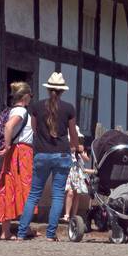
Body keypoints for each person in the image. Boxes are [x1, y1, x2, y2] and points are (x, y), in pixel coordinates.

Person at [16, 71, 85, 241]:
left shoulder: (36, 107)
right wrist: (76, 148)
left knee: (34, 195)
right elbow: (72, 133)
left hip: (41, 154)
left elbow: (34, 128)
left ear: (48, 89)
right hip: (62, 154)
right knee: (57, 195)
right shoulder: (69, 108)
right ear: (62, 91)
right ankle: (50, 234)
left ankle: (21, 232)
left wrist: (43, 139)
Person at [0, 81, 35, 240]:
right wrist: (8, 145)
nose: (31, 98)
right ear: (24, 96)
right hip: (22, 152)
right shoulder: (22, 112)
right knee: (26, 189)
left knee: (8, 187)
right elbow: (9, 126)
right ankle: (24, 229)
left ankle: (6, 231)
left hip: (15, 152)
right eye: (30, 95)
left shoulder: (13, 110)